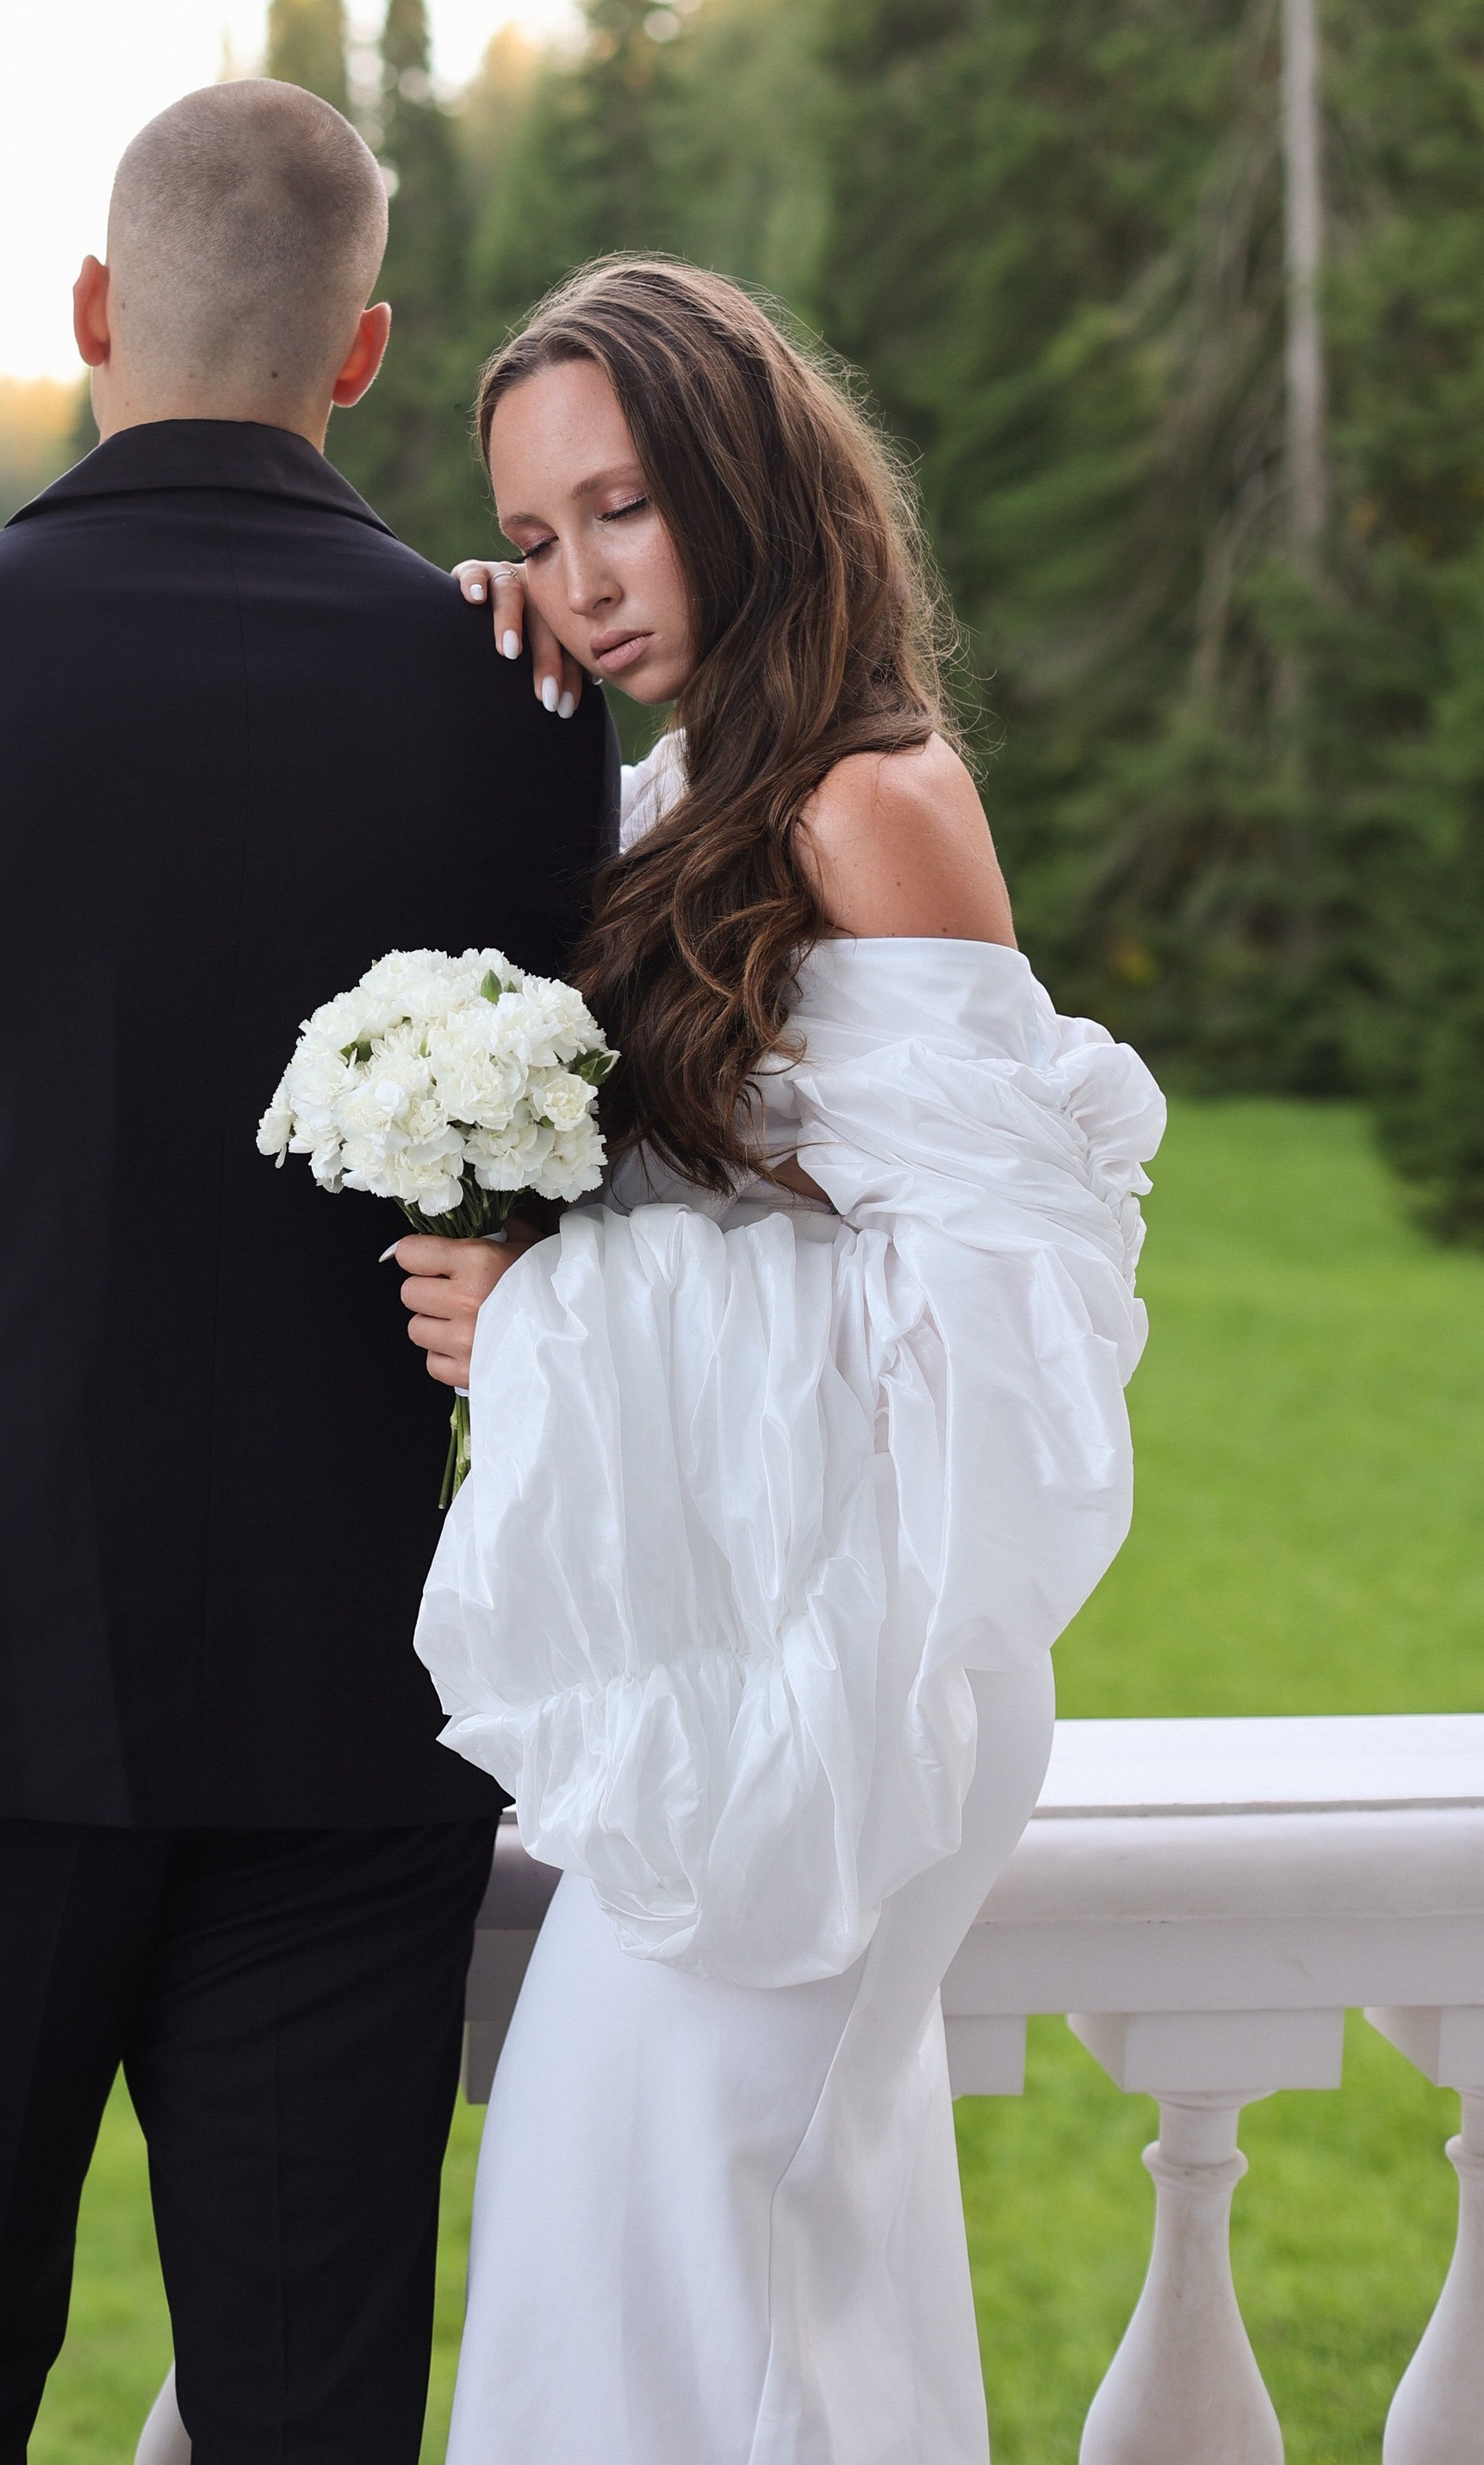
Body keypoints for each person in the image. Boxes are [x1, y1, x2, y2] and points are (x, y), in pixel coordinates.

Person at [0, 81, 614, 2465]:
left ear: (92, 308)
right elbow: (575, 1197)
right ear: (364, 355)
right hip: (348, 1697)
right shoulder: (516, 702)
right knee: (309, 2409)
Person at [394, 258, 1163, 2465]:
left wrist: (552, 1321)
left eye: (619, 507)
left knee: (684, 2293)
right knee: (699, 2289)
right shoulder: (698, 790)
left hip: (861, 1671)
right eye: (536, 538)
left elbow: (998, 1362)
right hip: (758, 1647)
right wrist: (477, 677)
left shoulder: (863, 804)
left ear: (743, 475)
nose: (584, 578)